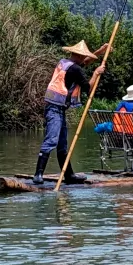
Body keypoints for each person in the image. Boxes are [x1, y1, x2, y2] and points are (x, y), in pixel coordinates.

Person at [33, 40, 106, 185]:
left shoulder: (64, 62)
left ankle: (69, 175)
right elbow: (88, 88)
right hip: (55, 108)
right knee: (51, 140)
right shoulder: (75, 70)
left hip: (56, 107)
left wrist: (99, 51)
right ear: (79, 55)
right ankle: (38, 174)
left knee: (62, 144)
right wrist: (96, 73)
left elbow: (83, 62)